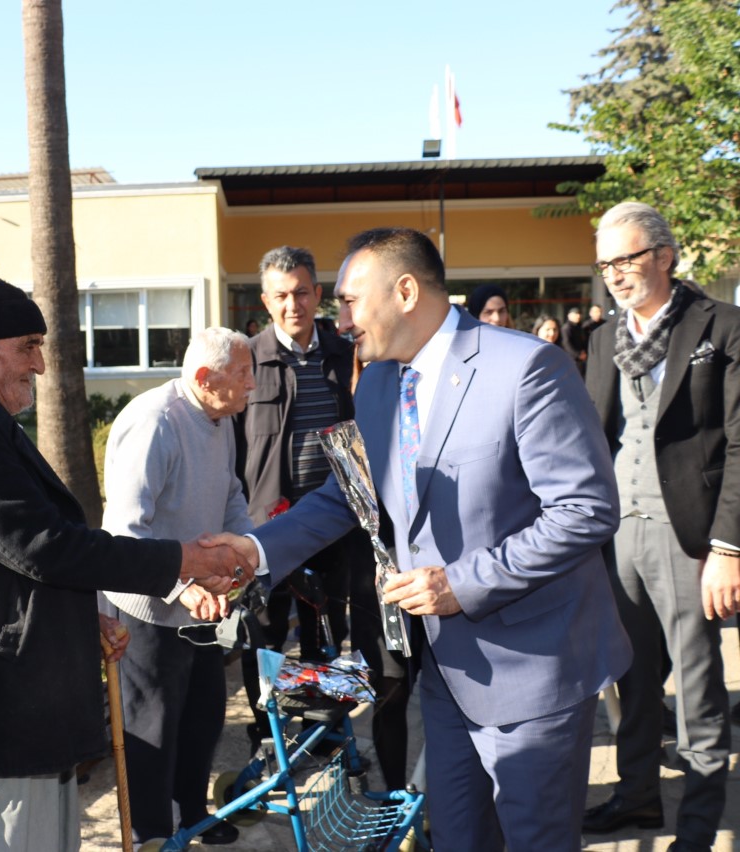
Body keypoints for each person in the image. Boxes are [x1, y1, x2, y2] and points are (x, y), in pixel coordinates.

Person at [208, 227, 630, 850]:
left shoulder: (526, 367)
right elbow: (348, 497)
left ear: (404, 291)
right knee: (457, 836)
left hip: (534, 671)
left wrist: (463, 582)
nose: (341, 320)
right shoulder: (378, 383)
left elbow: (585, 511)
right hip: (445, 673)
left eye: (350, 300)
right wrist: (255, 549)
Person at [0, 273, 248, 852]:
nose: (39, 365)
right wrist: (182, 561)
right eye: (28, 348)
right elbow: (45, 548)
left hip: (29, 718)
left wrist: (82, 622)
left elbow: (16, 557)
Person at [582, 201, 738, 851]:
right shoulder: (599, 338)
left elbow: (738, 443)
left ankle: (698, 829)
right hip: (619, 531)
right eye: (606, 262)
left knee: (699, 690)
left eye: (628, 258)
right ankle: (637, 796)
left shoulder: (720, 327)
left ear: (666, 256)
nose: (616, 273)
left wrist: (729, 547)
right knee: (631, 675)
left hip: (690, 537)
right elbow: (594, 437)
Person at [235, 245, 411, 791]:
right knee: (263, 638)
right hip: (271, 529)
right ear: (267, 301)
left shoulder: (347, 354)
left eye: (303, 292)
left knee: (327, 634)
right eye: (282, 295)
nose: (294, 305)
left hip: (341, 526)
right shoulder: (250, 360)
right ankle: (271, 737)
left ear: (317, 294)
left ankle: (325, 729)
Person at [101, 327, 255, 846]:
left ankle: (192, 813)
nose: (253, 384)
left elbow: (232, 493)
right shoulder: (155, 422)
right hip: (148, 607)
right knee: (152, 729)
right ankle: (151, 835)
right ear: (206, 378)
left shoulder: (220, 415)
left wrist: (244, 551)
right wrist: (179, 584)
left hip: (205, 603)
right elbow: (125, 531)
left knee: (204, 714)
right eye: (244, 373)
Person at [560, 306, 589, 374]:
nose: (578, 316)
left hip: (581, 358)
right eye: (575, 314)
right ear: (569, 315)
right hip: (572, 359)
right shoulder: (566, 328)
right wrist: (578, 355)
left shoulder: (580, 327)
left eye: (579, 314)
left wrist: (584, 353)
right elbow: (566, 344)